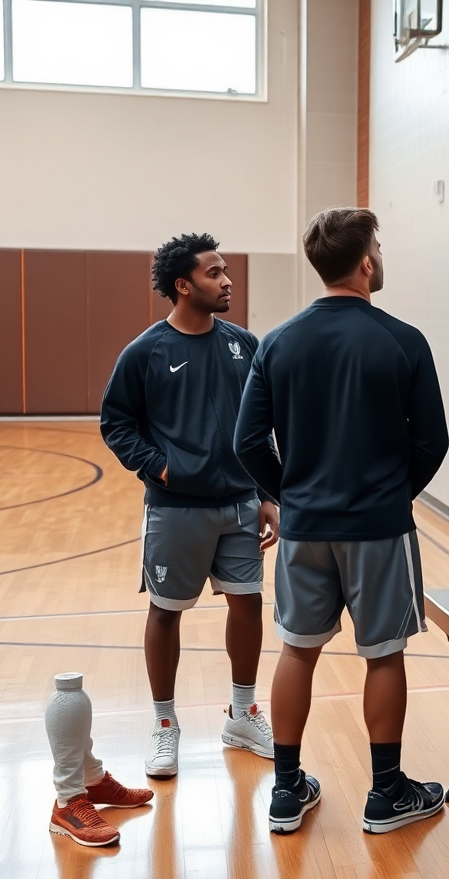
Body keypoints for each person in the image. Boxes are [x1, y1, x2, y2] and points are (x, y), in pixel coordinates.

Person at [233, 207, 449, 836]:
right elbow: (432, 442)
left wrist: (292, 496)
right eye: (377, 247)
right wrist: (390, 493)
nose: (380, 255)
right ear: (364, 263)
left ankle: (285, 790)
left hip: (304, 528)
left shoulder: (277, 341)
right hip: (379, 528)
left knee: (297, 651)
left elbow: (248, 444)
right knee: (383, 656)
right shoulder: (404, 340)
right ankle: (386, 797)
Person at [100, 233, 280, 778]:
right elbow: (116, 423)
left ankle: (243, 713)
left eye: (226, 272)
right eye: (214, 273)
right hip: (175, 509)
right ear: (183, 285)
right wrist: (159, 467)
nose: (227, 281)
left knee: (247, 603)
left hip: (241, 503)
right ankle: (163, 725)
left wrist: (269, 493)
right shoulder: (145, 351)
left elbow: (260, 426)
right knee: (166, 611)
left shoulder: (244, 344)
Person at [46, 672, 153, 847]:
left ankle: (92, 781)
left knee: (73, 694)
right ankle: (68, 799)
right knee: (67, 697)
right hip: (66, 804)